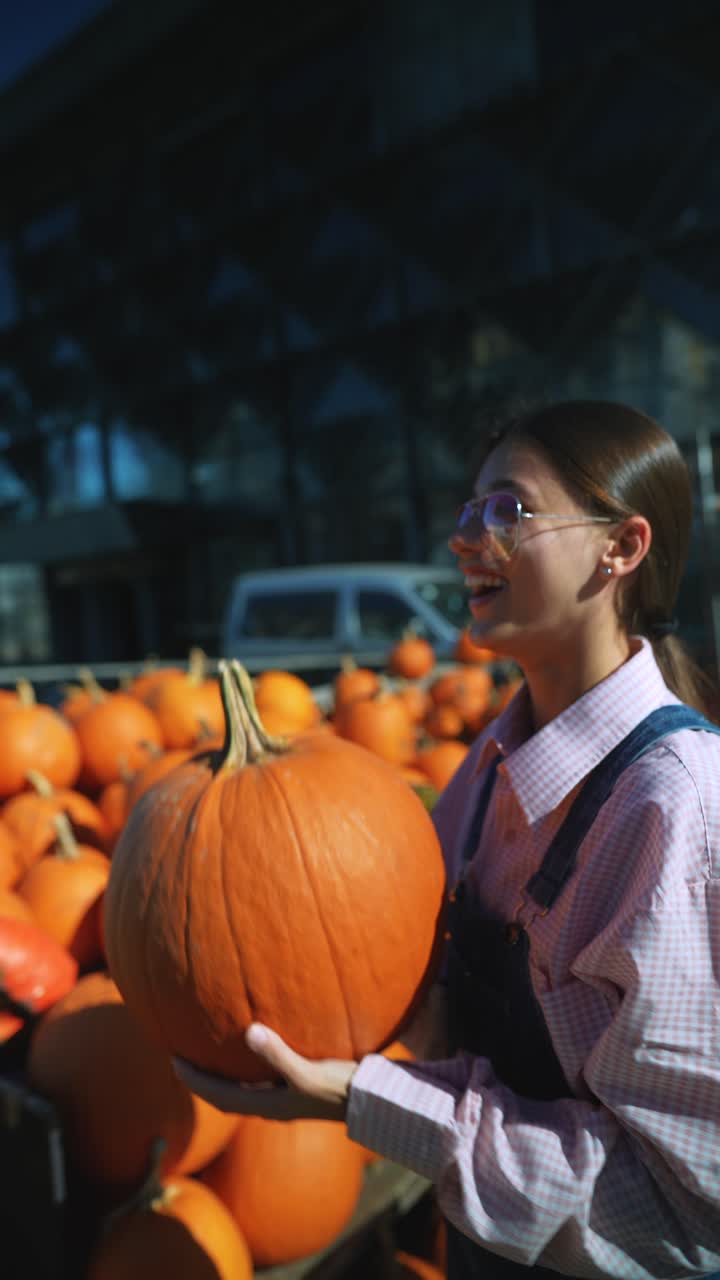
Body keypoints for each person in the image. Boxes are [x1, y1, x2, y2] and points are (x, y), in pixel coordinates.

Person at [175, 400, 720, 1279]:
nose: (468, 539)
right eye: (469, 513)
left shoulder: (674, 808)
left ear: (621, 548)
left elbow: (685, 1206)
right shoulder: (484, 774)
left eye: (509, 511)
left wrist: (365, 1101)